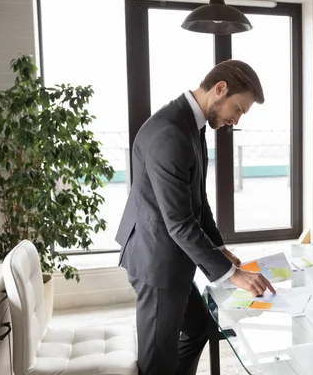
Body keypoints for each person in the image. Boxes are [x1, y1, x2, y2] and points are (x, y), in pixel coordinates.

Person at [115, 59, 276, 375]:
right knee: (156, 364)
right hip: (157, 262)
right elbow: (179, 222)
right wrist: (232, 274)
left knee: (200, 327)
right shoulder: (170, 132)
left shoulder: (191, 124)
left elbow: (197, 202)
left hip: (171, 254)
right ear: (220, 89)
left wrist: (220, 250)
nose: (236, 119)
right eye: (238, 109)